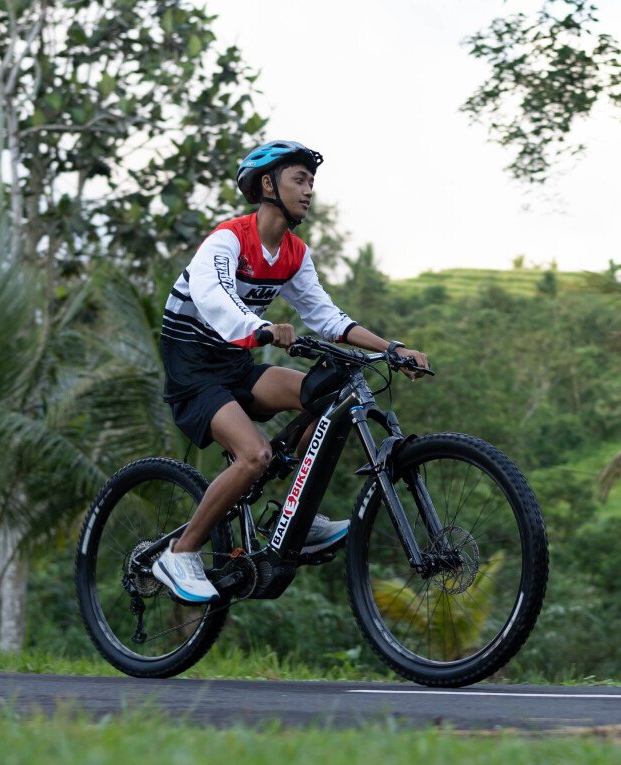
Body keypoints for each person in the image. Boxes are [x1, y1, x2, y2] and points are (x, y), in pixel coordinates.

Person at [153, 140, 430, 605]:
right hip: (195, 371)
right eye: (299, 180)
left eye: (311, 182)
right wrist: (261, 327)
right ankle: (179, 554)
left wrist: (393, 349)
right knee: (255, 456)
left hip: (238, 363)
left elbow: (327, 318)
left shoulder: (294, 253)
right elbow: (216, 298)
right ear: (267, 185)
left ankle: (293, 517)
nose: (308, 191)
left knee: (326, 396)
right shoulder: (227, 240)